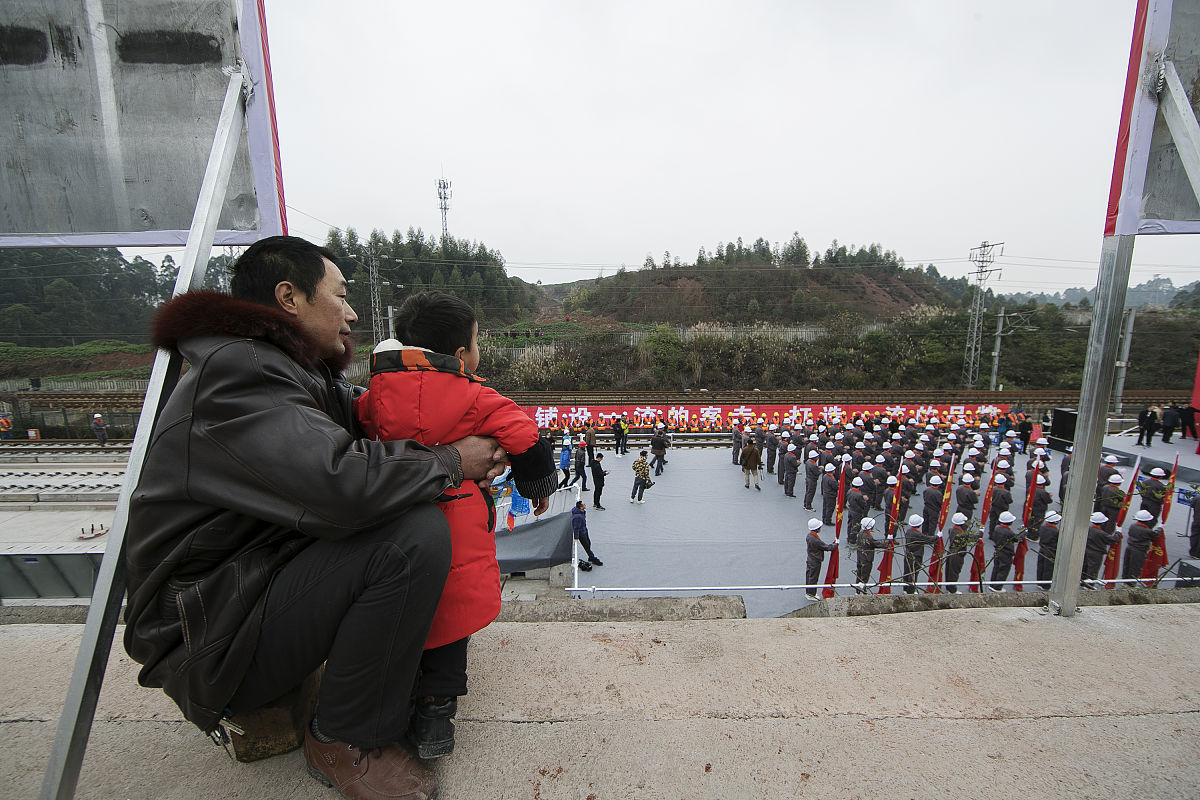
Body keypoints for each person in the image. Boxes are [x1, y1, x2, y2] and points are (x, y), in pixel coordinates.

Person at [123, 236, 510, 799]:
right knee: (410, 534)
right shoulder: (240, 375)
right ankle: (343, 740)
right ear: (290, 297)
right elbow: (343, 484)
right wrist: (453, 460)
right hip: (208, 636)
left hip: (239, 596)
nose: (352, 312)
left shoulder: (284, 369)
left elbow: (375, 429)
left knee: (411, 503)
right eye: (341, 294)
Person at [355, 290, 558, 759]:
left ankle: (396, 706)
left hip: (394, 525)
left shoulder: (376, 397)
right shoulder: (474, 396)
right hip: (457, 531)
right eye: (477, 341)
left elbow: (356, 424)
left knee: (405, 622)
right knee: (450, 625)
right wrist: (537, 483)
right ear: (462, 355)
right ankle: (435, 722)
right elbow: (524, 435)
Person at [943, 512, 978, 593]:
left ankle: (949, 588)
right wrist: (980, 533)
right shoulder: (961, 534)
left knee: (949, 571)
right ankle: (952, 590)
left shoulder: (951, 530)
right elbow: (972, 537)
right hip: (957, 555)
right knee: (954, 572)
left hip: (951, 553)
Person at [1082, 511, 1120, 586]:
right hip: (1096, 553)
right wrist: (1118, 533)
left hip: (1086, 551)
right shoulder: (1100, 533)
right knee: (1093, 570)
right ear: (1102, 523)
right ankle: (1089, 585)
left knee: (1085, 568)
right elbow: (1113, 539)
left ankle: (1083, 583)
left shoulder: (1088, 529)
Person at [1122, 509, 1160, 582]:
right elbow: (1156, 535)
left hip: (1129, 547)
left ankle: (1124, 580)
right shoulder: (1146, 531)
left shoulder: (1132, 526)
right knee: (1135, 567)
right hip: (1139, 551)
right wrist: (1160, 528)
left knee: (1127, 565)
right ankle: (1131, 583)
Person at [804, 518, 838, 600]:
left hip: (810, 558)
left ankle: (809, 592)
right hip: (815, 561)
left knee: (809, 576)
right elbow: (827, 547)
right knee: (813, 577)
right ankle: (811, 594)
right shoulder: (815, 540)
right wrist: (836, 544)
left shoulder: (809, 536)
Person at [902, 514, 936, 594]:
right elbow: (928, 539)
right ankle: (911, 591)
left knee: (907, 572)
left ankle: (905, 588)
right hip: (916, 556)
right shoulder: (918, 534)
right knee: (914, 573)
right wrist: (937, 536)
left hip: (908, 555)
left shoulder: (909, 531)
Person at [988, 511, 1021, 592]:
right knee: (1003, 570)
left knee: (996, 568)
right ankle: (997, 587)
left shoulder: (997, 528)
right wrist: (1023, 533)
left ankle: (992, 584)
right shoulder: (1008, 532)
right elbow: (1017, 538)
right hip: (1006, 553)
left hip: (997, 551)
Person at [854, 517, 887, 591]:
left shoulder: (860, 533)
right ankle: (862, 590)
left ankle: (857, 590)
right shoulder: (868, 537)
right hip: (867, 559)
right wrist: (887, 543)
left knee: (859, 574)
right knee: (865, 576)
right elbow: (876, 544)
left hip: (860, 557)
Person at [1033, 510, 1062, 590]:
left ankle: (1039, 582)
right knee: (1048, 568)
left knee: (1040, 565)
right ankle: (1045, 585)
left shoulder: (1042, 527)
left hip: (1042, 549)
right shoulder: (1056, 531)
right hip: (1051, 551)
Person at [571, 500, 603, 569]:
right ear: (581, 507)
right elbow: (576, 528)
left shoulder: (580, 513)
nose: (585, 505)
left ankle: (591, 556)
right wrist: (576, 537)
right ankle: (592, 557)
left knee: (588, 544)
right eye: (584, 504)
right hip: (581, 533)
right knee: (587, 546)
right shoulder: (578, 517)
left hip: (584, 530)